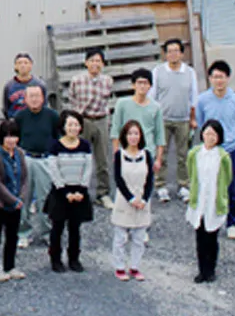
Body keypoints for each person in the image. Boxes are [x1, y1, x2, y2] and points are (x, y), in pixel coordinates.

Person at [194, 61, 235, 239]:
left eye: (222, 77)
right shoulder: (203, 100)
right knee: (207, 184)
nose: (218, 81)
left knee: (230, 186)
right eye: (215, 77)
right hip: (210, 149)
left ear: (228, 78)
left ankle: (232, 222)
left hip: (230, 150)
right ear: (210, 79)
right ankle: (208, 220)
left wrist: (232, 138)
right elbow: (201, 122)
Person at [150, 39, 199, 202]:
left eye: (176, 51)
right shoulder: (158, 71)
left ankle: (184, 185)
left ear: (182, 53)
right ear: (165, 54)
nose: (173, 54)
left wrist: (193, 118)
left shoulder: (189, 72)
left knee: (183, 155)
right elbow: (152, 96)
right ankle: (160, 185)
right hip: (162, 119)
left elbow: (194, 97)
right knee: (161, 154)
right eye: (169, 51)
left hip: (183, 119)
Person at [46, 109, 94, 273]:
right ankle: (56, 259)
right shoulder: (55, 146)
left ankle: (74, 259)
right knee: (57, 228)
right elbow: (53, 170)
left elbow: (88, 169)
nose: (73, 128)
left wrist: (82, 190)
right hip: (60, 192)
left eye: (76, 124)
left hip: (79, 191)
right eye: (70, 124)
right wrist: (64, 192)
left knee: (75, 228)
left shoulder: (85, 145)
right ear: (63, 126)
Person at [187, 119, 234, 284]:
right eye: (207, 133)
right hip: (199, 201)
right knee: (200, 237)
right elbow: (190, 172)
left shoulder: (223, 156)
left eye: (214, 134)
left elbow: (227, 178)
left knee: (212, 237)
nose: (210, 137)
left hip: (214, 202)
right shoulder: (195, 153)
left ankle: (211, 270)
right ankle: (201, 270)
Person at [14, 84, 59, 249]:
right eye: (31, 96)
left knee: (45, 199)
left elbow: (58, 137)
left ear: (43, 98)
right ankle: (23, 233)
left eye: (37, 96)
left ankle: (47, 233)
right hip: (26, 159)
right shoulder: (20, 117)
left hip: (45, 160)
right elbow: (14, 139)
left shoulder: (52, 116)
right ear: (25, 99)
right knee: (23, 198)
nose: (34, 99)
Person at [67, 48, 113, 208]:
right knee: (79, 158)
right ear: (86, 63)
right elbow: (72, 99)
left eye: (98, 61)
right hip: (83, 121)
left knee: (103, 160)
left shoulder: (107, 80)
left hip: (101, 120)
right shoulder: (77, 80)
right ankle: (79, 192)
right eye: (92, 60)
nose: (95, 64)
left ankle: (103, 193)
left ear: (103, 64)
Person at [0, 120, 28, 282]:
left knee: (12, 236)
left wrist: (21, 197)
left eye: (14, 136)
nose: (11, 140)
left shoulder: (20, 154)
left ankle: (10, 266)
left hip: (16, 202)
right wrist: (12, 199)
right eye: (7, 136)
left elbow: (24, 177)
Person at [111, 120, 154, 282]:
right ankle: (119, 267)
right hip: (124, 200)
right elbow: (118, 179)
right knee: (120, 237)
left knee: (139, 237)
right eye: (130, 134)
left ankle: (135, 267)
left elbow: (150, 180)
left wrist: (144, 199)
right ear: (125, 136)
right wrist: (130, 198)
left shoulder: (146, 155)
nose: (133, 137)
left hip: (142, 200)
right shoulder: (119, 155)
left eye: (136, 133)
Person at [110, 69, 166, 191]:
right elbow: (115, 129)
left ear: (150, 86)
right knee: (125, 187)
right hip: (126, 152)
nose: (142, 86)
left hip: (147, 152)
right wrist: (116, 152)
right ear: (133, 85)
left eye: (145, 83)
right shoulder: (122, 104)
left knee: (145, 189)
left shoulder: (156, 107)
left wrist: (158, 159)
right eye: (139, 82)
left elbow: (159, 134)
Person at [2, 53, 48, 119]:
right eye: (19, 63)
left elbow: (45, 106)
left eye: (26, 63)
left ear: (31, 65)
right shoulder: (9, 86)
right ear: (15, 66)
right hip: (16, 121)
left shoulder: (40, 85)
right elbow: (6, 108)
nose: (22, 65)